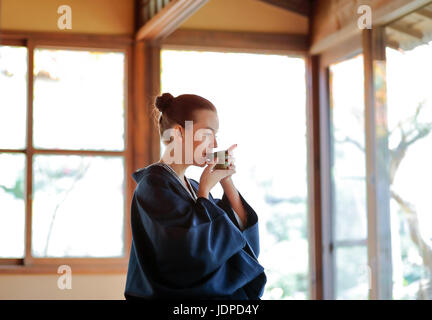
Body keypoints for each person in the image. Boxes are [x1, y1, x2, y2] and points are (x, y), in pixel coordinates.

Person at [124, 93, 266, 300]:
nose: (215, 142)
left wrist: (226, 180)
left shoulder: (191, 185)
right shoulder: (153, 185)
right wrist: (205, 189)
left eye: (216, 135)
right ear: (179, 133)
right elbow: (192, 254)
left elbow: (239, 235)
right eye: (207, 134)